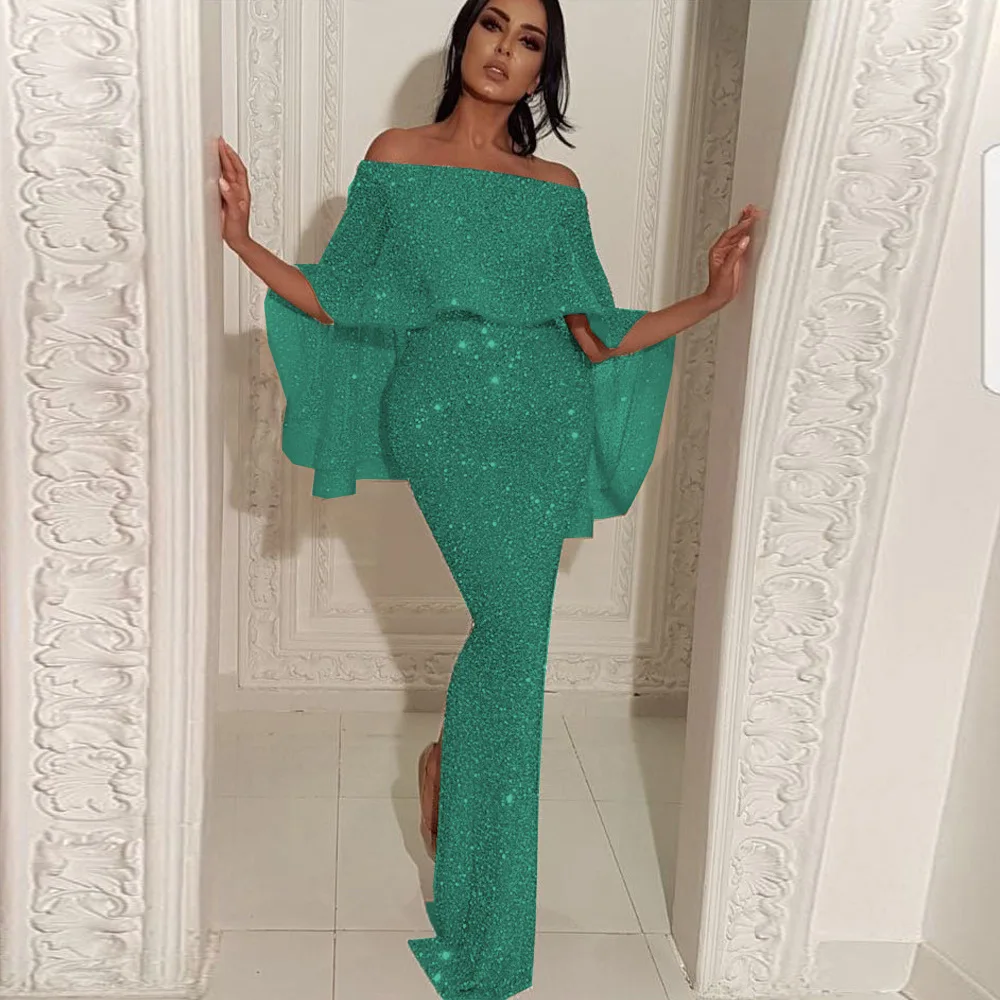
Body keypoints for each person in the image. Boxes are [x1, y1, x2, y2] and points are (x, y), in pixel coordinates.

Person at [218, 1, 760, 995]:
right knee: (512, 632)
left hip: (544, 416)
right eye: (493, 27)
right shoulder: (397, 157)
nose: (506, 50)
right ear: (463, 36)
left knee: (513, 641)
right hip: (442, 414)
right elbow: (344, 295)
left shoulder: (556, 189)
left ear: (544, 68)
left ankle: (456, 799)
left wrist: (710, 298)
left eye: (530, 41)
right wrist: (245, 242)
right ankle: (481, 909)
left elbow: (594, 337)